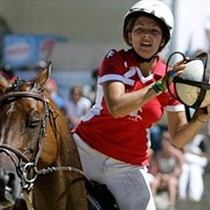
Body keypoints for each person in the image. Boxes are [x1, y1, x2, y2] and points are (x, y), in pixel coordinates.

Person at [72, 1, 210, 210]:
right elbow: (116, 107)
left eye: (154, 31)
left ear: (163, 40)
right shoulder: (114, 59)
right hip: (84, 151)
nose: (146, 35)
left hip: (127, 166)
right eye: (140, 29)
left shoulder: (170, 76)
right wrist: (160, 85)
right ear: (129, 36)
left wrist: (199, 117)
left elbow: (178, 137)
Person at [150, 131, 183, 210]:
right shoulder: (158, 154)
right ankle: (151, 203)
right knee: (154, 182)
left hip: (173, 177)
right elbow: (155, 169)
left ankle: (171, 206)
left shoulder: (178, 154)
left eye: (167, 140)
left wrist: (168, 177)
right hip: (161, 176)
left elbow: (180, 170)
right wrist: (161, 176)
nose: (164, 142)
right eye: (163, 140)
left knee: (171, 182)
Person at [178, 133, 208, 202]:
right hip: (187, 162)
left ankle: (195, 195)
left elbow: (204, 154)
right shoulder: (185, 138)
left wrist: (193, 153)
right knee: (185, 169)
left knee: (194, 170)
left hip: (197, 163)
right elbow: (183, 151)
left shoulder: (201, 139)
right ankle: (181, 193)